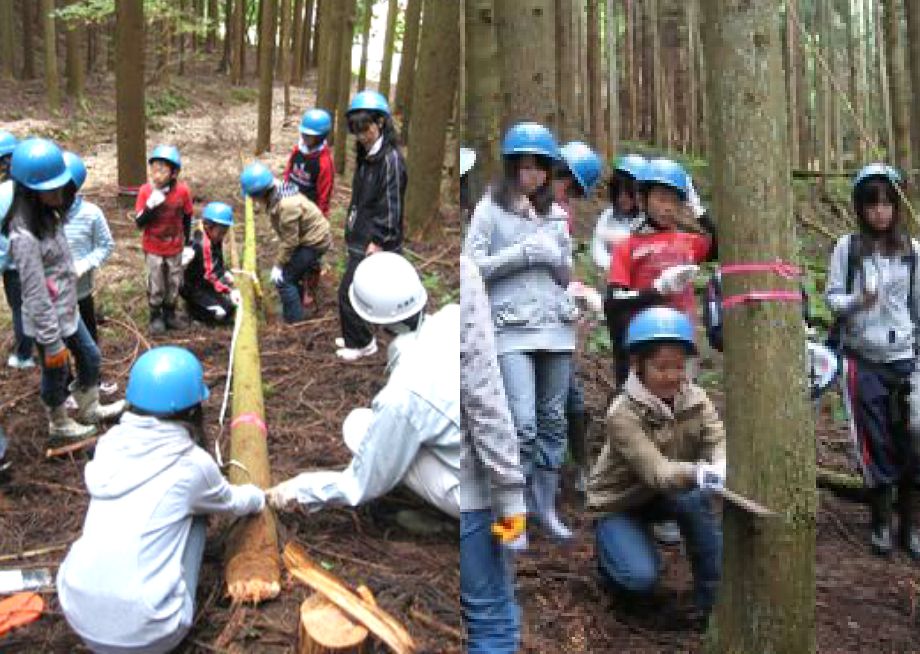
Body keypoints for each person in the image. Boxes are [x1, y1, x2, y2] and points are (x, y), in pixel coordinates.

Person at [56, 346, 266, 654]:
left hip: (78, 613)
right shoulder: (191, 464)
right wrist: (259, 497)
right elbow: (232, 503)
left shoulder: (110, 444)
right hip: (151, 632)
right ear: (193, 408)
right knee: (196, 516)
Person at [267, 253, 460, 518]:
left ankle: (457, 522)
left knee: (360, 429)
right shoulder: (455, 318)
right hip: (520, 465)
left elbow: (360, 484)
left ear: (370, 320)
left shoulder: (403, 394)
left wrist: (298, 490)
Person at [464, 121, 576, 540]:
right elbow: (471, 266)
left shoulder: (555, 215)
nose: (532, 176)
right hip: (511, 329)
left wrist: (562, 261)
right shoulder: (489, 210)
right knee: (519, 422)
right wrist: (522, 253)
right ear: (511, 168)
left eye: (540, 168)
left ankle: (543, 509)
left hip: (557, 327)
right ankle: (512, 519)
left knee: (553, 421)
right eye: (524, 167)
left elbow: (565, 275)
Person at [588, 307, 725, 618]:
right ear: (638, 365)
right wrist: (700, 471)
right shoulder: (622, 414)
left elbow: (716, 437)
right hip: (620, 502)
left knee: (695, 500)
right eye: (662, 367)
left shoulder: (696, 399)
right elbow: (658, 472)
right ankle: (612, 560)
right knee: (638, 579)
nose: (673, 376)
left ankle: (712, 599)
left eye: (679, 366)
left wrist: (722, 463)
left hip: (666, 495)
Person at [825, 163, 920, 558]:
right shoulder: (848, 249)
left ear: (897, 206)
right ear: (860, 208)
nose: (880, 211)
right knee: (873, 439)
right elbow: (831, 296)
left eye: (886, 203)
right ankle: (880, 521)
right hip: (863, 359)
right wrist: (857, 302)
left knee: (913, 440)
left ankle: (910, 527)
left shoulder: (912, 251)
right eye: (871, 204)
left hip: (906, 358)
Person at [6, 138, 124, 440]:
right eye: (52, 189)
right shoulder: (24, 235)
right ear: (31, 191)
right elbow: (33, 292)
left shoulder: (49, 215)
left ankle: (89, 407)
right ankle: (59, 423)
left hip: (67, 309)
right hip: (48, 320)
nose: (60, 194)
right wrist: (51, 340)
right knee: (55, 370)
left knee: (91, 357)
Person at [460, 254, 527, 653]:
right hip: (471, 486)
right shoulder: (466, 273)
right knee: (493, 621)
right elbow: (482, 391)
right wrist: (509, 491)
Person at [604, 157, 718, 388]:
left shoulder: (689, 242)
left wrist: (699, 212)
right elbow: (614, 301)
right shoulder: (628, 247)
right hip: (644, 342)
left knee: (683, 405)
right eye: (661, 199)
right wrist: (657, 290)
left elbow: (722, 246)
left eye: (675, 201)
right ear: (642, 199)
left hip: (683, 341)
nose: (668, 207)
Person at [336, 90, 407, 362]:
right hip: (361, 236)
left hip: (376, 242)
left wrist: (378, 240)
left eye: (365, 128)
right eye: (356, 129)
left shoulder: (390, 160)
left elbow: (391, 205)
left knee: (349, 292)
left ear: (380, 123)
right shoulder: (367, 156)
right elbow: (361, 200)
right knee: (376, 293)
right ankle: (363, 337)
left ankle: (363, 343)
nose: (361, 135)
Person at [555, 141, 604, 493]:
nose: (563, 189)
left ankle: (582, 466)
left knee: (571, 396)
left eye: (571, 186)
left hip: (556, 318)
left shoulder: (564, 212)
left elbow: (563, 265)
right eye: (562, 179)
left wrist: (579, 290)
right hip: (522, 321)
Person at [240, 162, 332, 322]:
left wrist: (278, 265)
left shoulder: (286, 205)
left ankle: (294, 323)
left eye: (254, 196)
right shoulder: (277, 193)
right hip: (306, 238)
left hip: (315, 241)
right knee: (292, 273)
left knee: (285, 280)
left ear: (261, 192)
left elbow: (290, 241)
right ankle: (296, 306)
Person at [135, 145, 194, 334]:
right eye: (154, 169)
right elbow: (139, 223)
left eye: (162, 170)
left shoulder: (182, 192)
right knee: (156, 280)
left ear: (174, 173)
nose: (157, 175)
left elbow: (187, 216)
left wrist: (187, 242)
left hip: (174, 244)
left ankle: (170, 313)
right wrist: (150, 206)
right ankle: (155, 315)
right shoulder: (145, 191)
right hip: (153, 245)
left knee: (174, 279)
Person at [62, 151, 115, 345]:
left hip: (81, 291)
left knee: (88, 340)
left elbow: (106, 245)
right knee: (59, 342)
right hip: (53, 296)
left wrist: (84, 264)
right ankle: (63, 375)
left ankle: (91, 372)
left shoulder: (91, 214)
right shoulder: (42, 216)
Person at [0, 131, 35, 370]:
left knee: (20, 309)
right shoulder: (36, 186)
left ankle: (24, 356)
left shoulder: (3, 193)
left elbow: (3, 240)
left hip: (14, 266)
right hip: (37, 261)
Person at [180, 202, 239, 326]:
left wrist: (224, 272)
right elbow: (209, 274)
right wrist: (228, 290)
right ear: (208, 226)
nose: (222, 236)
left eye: (225, 232)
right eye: (221, 232)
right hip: (193, 286)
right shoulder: (202, 244)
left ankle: (202, 307)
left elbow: (217, 261)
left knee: (229, 309)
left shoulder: (214, 237)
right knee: (219, 314)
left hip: (204, 283)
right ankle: (194, 312)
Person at [592, 154, 648, 272]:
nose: (622, 198)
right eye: (618, 191)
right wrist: (611, 266)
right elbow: (598, 246)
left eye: (628, 192)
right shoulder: (608, 216)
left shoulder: (648, 220)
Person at [283, 108, 334, 216]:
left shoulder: (324, 162)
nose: (305, 138)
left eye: (309, 136)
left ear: (320, 137)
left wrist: (320, 217)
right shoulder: (298, 150)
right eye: (304, 134)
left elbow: (324, 194)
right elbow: (289, 171)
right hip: (291, 202)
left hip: (308, 211)